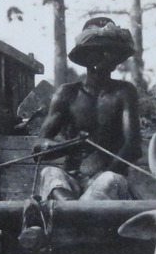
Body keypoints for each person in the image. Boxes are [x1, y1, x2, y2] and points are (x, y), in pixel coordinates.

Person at [33, 17, 142, 202]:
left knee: (107, 182)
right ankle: (71, 208)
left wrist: (103, 173)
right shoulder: (67, 93)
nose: (105, 56)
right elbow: (38, 147)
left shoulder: (124, 92)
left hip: (110, 176)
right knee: (49, 173)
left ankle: (77, 211)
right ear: (85, 57)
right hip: (72, 180)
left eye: (110, 51)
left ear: (116, 59)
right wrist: (73, 144)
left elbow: (132, 146)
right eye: (97, 51)